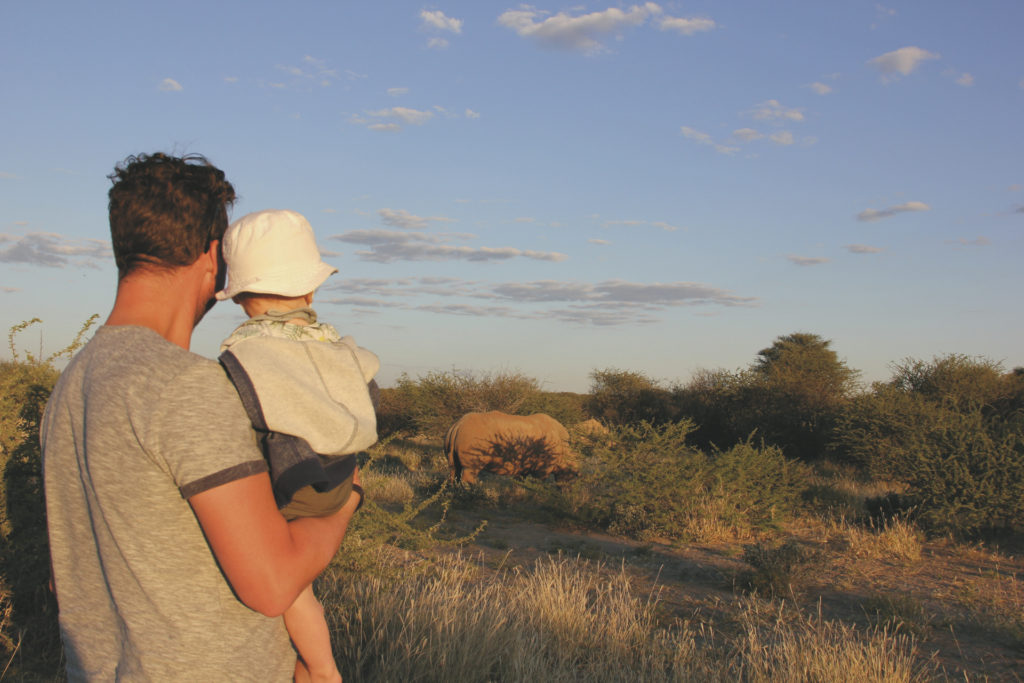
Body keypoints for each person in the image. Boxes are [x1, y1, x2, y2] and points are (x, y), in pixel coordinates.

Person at [41, 153, 362, 682]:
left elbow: (68, 578)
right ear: (212, 255)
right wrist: (349, 496)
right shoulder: (184, 385)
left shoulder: (72, 383)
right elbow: (272, 584)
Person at [216, 209, 380, 682]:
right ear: (311, 288)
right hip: (339, 474)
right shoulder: (329, 343)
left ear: (240, 296)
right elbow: (366, 384)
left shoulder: (247, 352)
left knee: (293, 591)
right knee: (301, 587)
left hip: (297, 482)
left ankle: (322, 669)